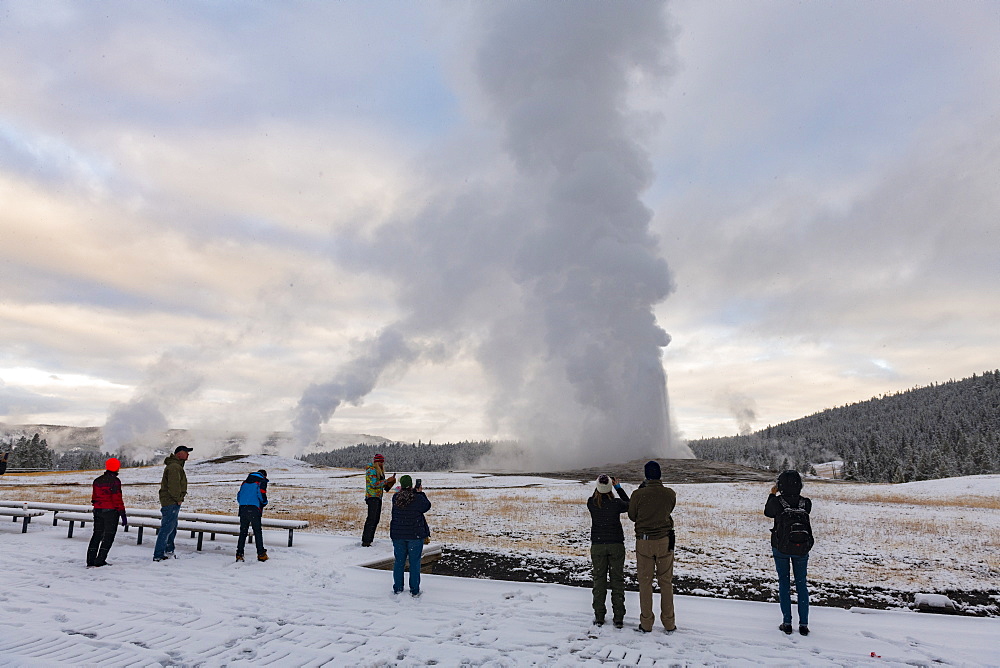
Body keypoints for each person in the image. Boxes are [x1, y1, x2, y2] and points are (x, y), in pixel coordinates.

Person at [627, 460, 677, 634]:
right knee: (666, 583)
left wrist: (641, 492)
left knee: (645, 583)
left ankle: (646, 623)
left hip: (644, 542)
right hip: (664, 542)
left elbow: (632, 516)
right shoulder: (670, 493)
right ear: (660, 475)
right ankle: (669, 623)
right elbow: (669, 509)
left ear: (646, 475)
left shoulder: (637, 495)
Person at [765, 469, 812, 636]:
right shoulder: (806, 503)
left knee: (784, 583)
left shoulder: (778, 502)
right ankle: (804, 625)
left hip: (780, 547)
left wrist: (772, 494)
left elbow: (768, 512)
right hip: (801, 548)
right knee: (801, 584)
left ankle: (787, 623)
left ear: (780, 485)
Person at [588, 474, 630, 628]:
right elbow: (629, 504)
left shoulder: (591, 503)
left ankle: (599, 616)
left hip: (598, 545)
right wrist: (618, 487)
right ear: (610, 488)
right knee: (617, 580)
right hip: (616, 545)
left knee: (599, 580)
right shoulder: (616, 503)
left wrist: (601, 485)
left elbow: (597, 494)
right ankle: (618, 617)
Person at [389, 474, 431, 596]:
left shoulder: (395, 497)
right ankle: (414, 590)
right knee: (414, 563)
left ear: (401, 485)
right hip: (415, 535)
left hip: (398, 535)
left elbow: (404, 496)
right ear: (412, 485)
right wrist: (420, 492)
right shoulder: (417, 498)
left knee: (399, 562)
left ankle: (398, 588)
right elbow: (426, 506)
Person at [153, 445, 192, 562]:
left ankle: (168, 550)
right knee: (167, 528)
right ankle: (159, 554)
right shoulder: (174, 467)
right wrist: (178, 498)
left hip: (171, 501)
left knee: (171, 527)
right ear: (179, 454)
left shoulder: (176, 466)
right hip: (171, 502)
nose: (188, 455)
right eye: (186, 452)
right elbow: (174, 486)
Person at [87, 457, 127, 567]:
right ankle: (100, 560)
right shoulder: (115, 481)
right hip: (111, 512)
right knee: (108, 536)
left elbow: (94, 497)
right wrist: (122, 513)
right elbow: (117, 499)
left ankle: (90, 560)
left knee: (97, 534)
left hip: (98, 510)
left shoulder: (97, 480)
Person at [361, 453, 396, 547]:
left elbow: (380, 485)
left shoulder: (378, 471)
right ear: (376, 462)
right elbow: (373, 484)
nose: (382, 464)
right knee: (371, 519)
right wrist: (386, 481)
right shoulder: (372, 470)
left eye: (382, 462)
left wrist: (389, 483)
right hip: (372, 497)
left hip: (378, 497)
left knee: (375, 519)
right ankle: (366, 541)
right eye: (380, 462)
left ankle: (369, 540)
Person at [236, 469, 269, 562]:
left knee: (243, 532)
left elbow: (239, 496)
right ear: (264, 475)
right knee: (257, 532)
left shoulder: (245, 482)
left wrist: (244, 504)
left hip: (243, 509)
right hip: (254, 509)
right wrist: (264, 503)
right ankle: (261, 554)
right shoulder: (261, 482)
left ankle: (239, 554)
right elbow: (261, 495)